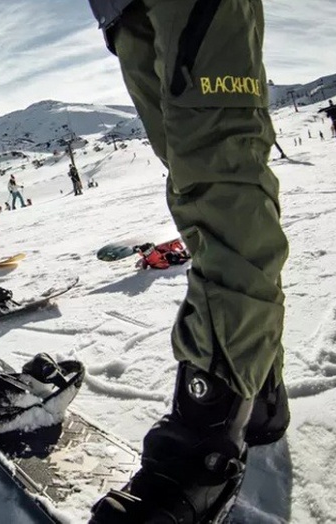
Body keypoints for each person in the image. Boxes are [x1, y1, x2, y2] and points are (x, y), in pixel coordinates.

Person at [87, 1, 290, 522]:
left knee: (220, 170)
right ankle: (258, 390)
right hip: (119, 11)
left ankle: (207, 437)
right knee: (193, 181)